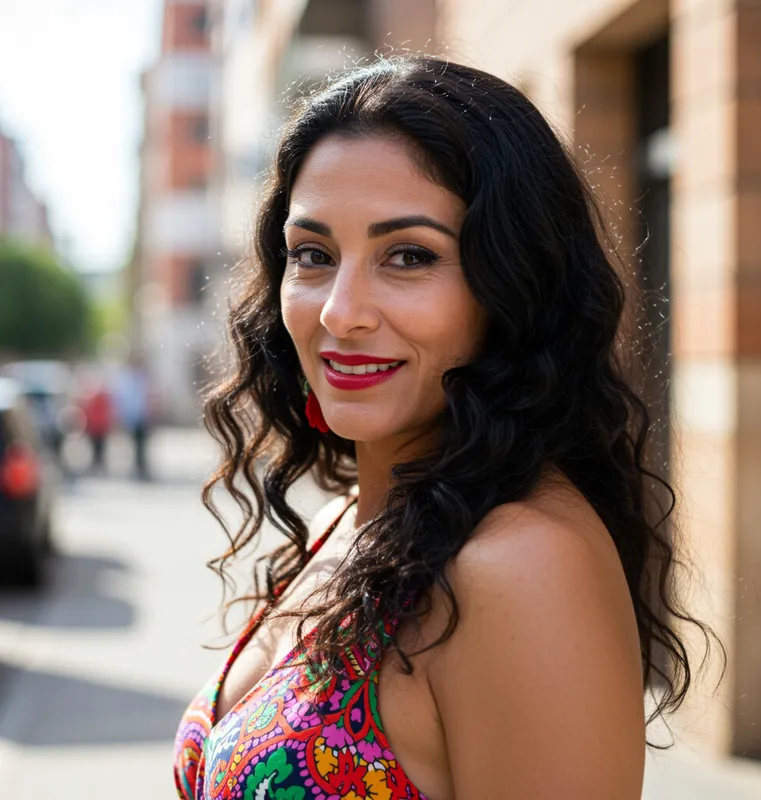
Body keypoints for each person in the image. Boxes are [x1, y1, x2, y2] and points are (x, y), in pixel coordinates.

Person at [174, 56, 716, 800]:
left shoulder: (520, 564)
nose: (340, 311)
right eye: (313, 254)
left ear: (512, 285)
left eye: (409, 256)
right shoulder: (347, 520)